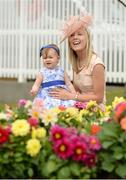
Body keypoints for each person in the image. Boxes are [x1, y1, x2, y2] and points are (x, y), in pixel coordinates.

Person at [50, 13, 106, 110]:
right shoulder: (76, 62)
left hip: (94, 111)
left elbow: (99, 97)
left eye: (79, 34)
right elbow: (76, 91)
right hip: (79, 106)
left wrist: (70, 96)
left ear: (87, 38)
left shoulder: (96, 64)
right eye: (71, 35)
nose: (75, 37)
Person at [30, 43, 76, 109]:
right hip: (47, 96)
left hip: (61, 96)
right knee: (45, 109)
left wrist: (73, 93)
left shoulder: (62, 71)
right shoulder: (42, 72)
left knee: (66, 108)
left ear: (58, 58)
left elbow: (69, 84)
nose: (47, 59)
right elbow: (37, 84)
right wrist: (34, 89)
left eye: (50, 57)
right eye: (45, 58)